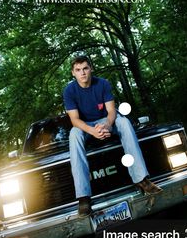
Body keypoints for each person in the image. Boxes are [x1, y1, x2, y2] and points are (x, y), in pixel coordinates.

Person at [63, 55, 162, 217]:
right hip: (85, 125)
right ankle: (83, 197)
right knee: (74, 134)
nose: (83, 73)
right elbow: (74, 120)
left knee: (124, 122)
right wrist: (93, 131)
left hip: (105, 121)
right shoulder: (69, 91)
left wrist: (107, 126)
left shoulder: (102, 83)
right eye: (78, 70)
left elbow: (111, 111)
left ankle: (141, 179)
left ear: (91, 69)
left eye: (85, 68)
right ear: (73, 73)